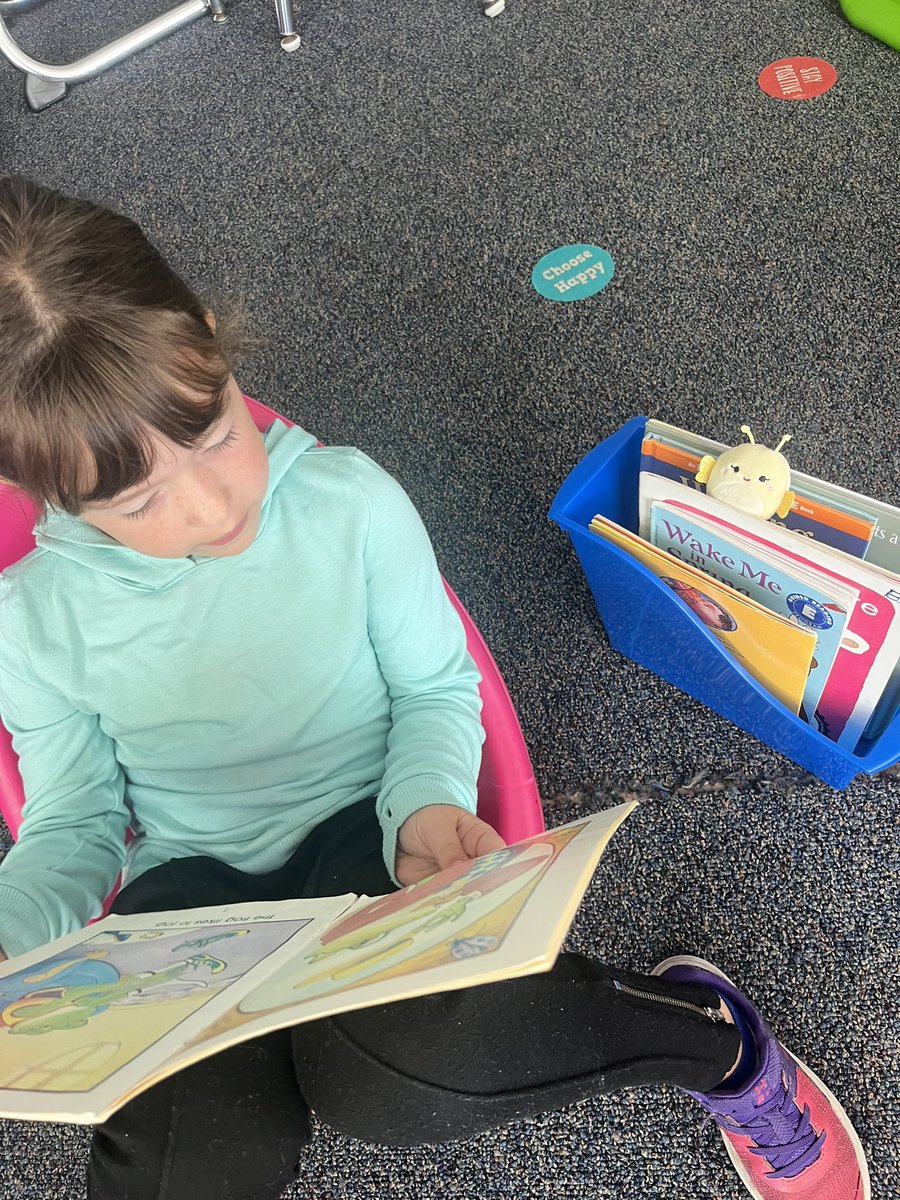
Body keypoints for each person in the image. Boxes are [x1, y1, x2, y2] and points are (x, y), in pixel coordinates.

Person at [0, 175, 869, 1200]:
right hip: (188, 895)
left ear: (212, 342)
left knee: (409, 1082)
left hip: (369, 828)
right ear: (42, 490)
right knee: (184, 1166)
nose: (216, 506)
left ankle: (716, 1046)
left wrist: (423, 805)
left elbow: (432, 680)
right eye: (144, 502)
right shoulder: (30, 616)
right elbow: (74, 817)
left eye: (214, 431)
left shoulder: (348, 503)